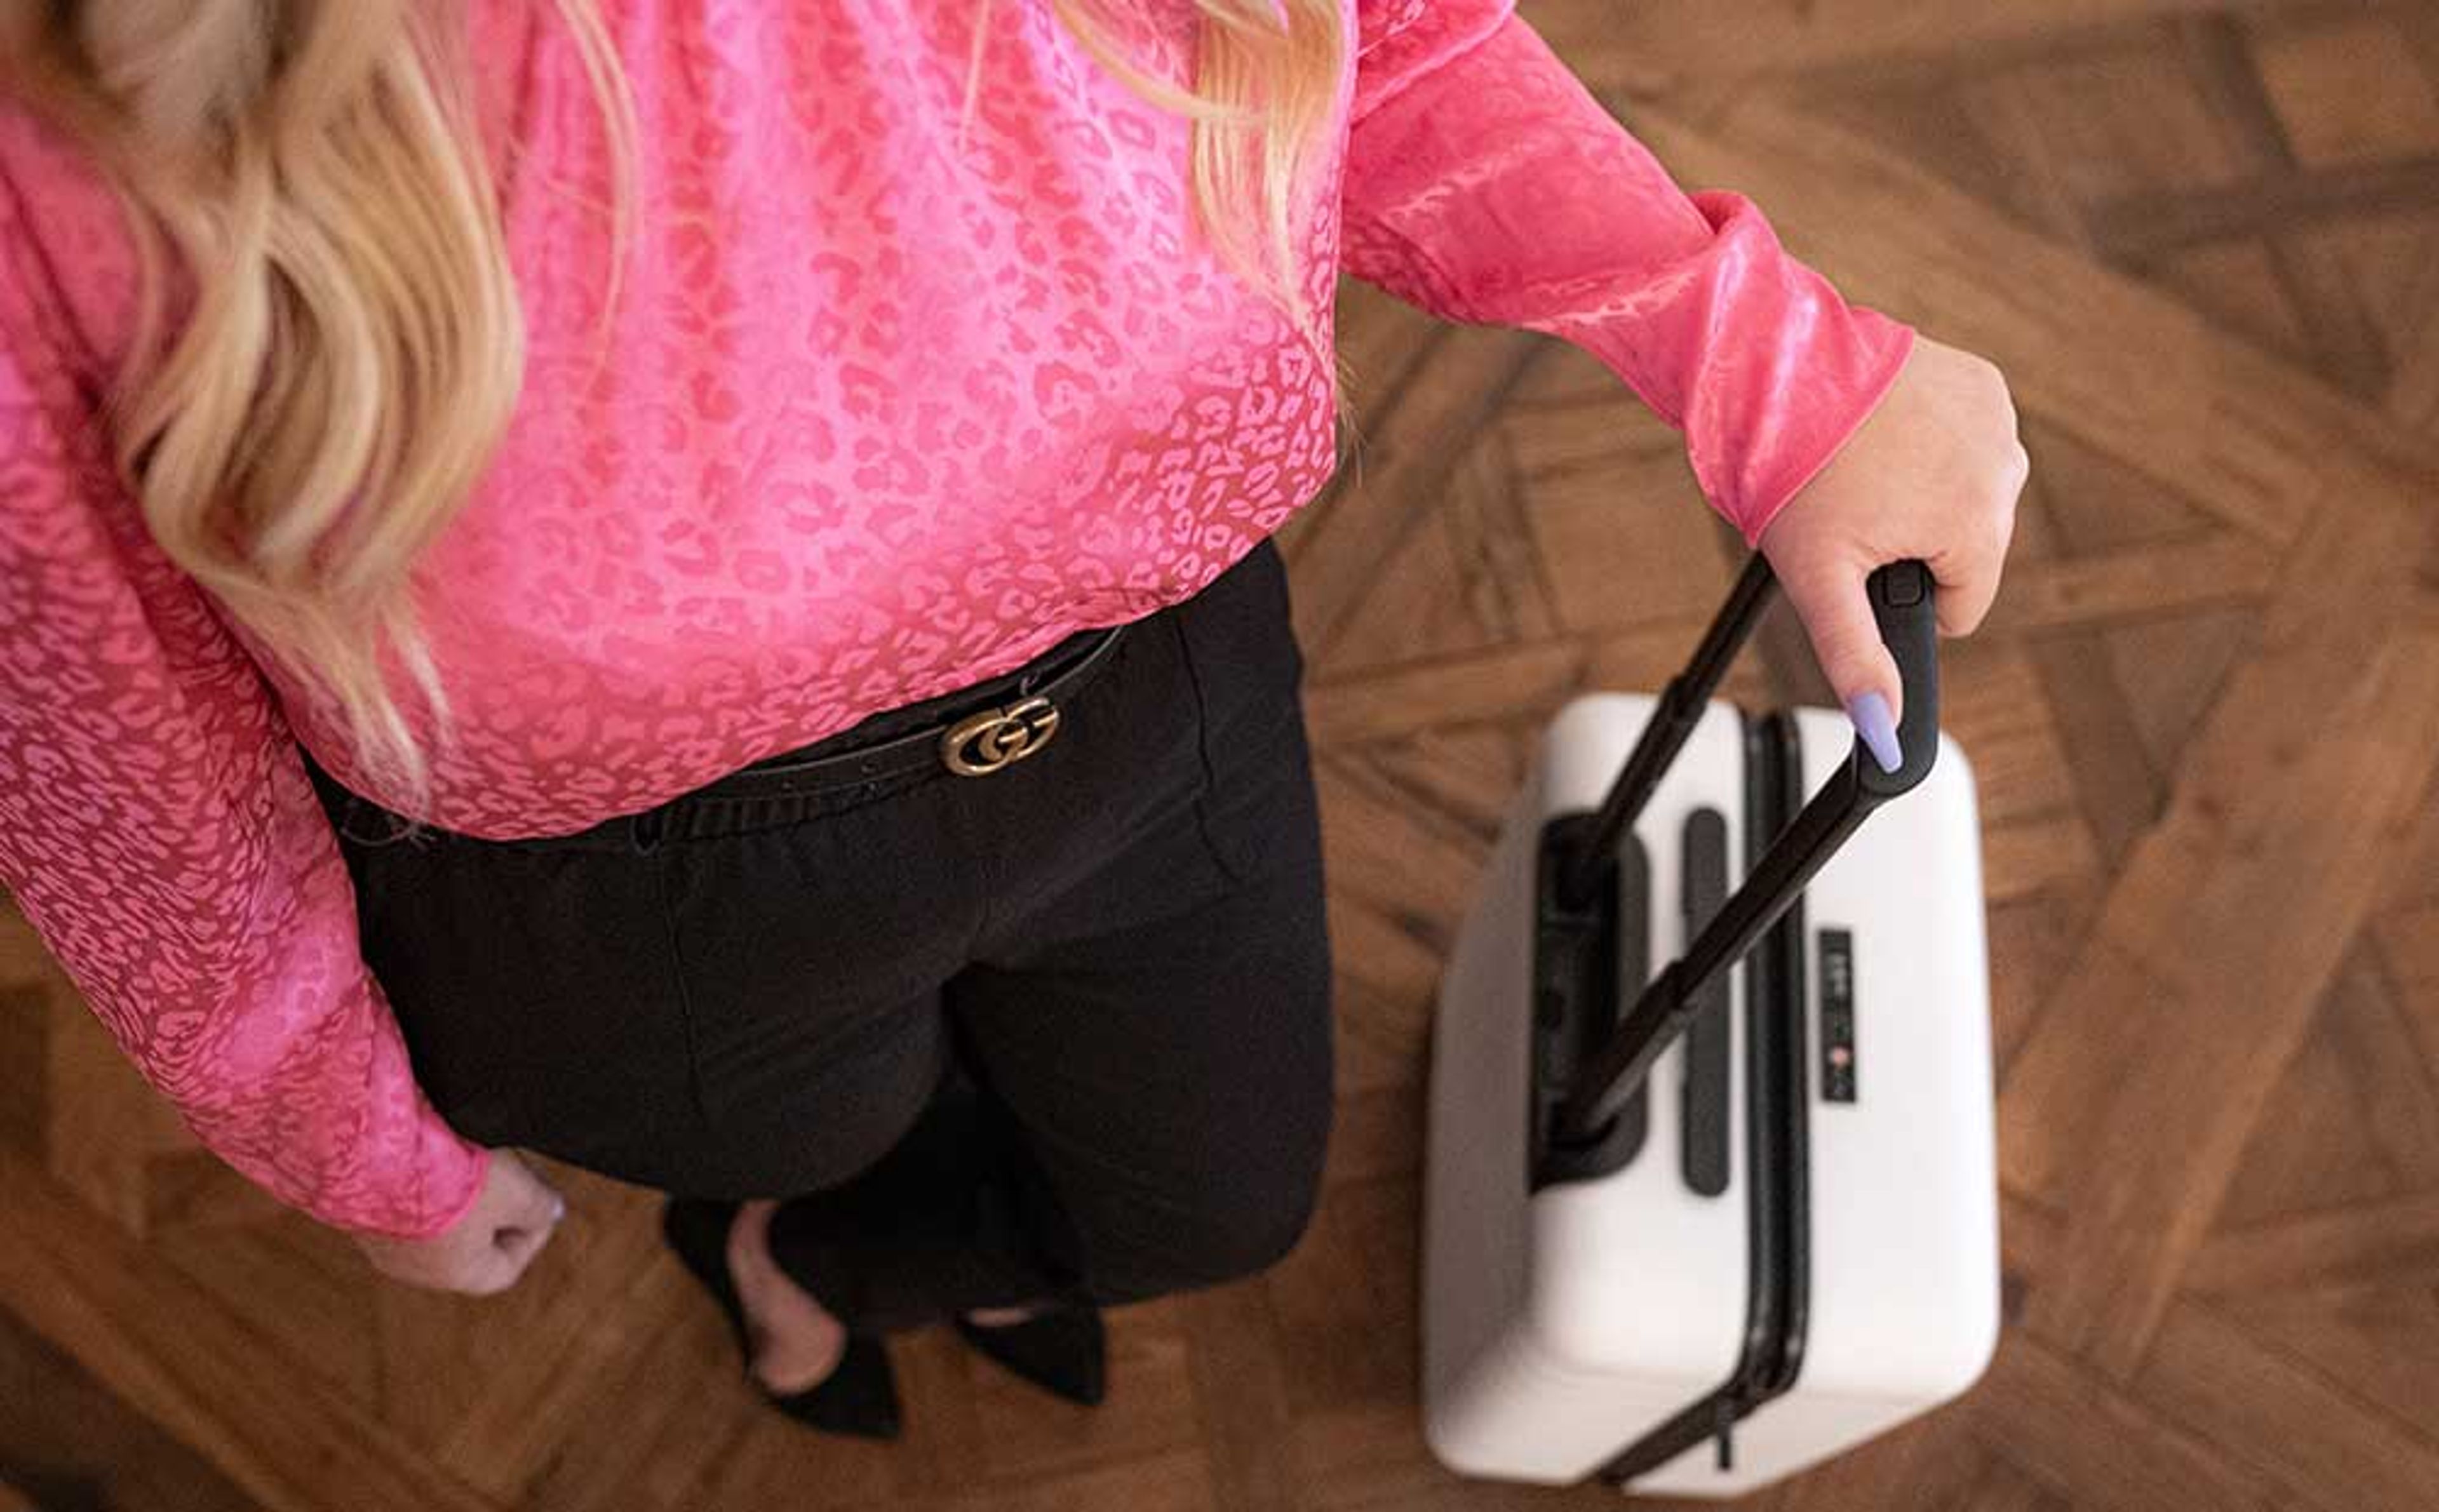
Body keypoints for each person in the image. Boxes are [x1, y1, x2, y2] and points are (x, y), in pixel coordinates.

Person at [0, 0, 2025, 1441]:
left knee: (1208, 1198)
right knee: (829, 1130)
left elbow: (1375, 44)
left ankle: (831, 1266)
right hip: (618, 901)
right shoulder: (78, 135)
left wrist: (1757, 349)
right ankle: (785, 1227)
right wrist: (348, 1146)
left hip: (1150, 686)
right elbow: (119, 761)